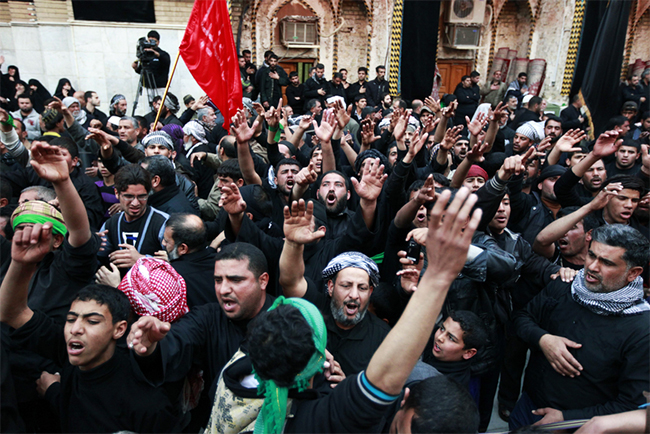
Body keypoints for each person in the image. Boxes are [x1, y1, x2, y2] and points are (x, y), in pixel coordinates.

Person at [207, 188, 483, 434]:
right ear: (329, 288)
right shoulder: (309, 415)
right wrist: (438, 277)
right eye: (346, 285)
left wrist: (345, 384)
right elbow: (291, 282)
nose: (353, 294)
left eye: (362, 287)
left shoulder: (231, 377)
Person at [509, 224, 650, 429]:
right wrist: (543, 339)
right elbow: (522, 318)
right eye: (591, 255)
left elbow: (632, 405)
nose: (592, 267)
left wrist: (567, 417)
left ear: (633, 273)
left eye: (606, 262)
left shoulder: (642, 330)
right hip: (528, 409)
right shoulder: (565, 284)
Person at [127, 242, 277, 429]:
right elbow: (179, 339)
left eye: (235, 280)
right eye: (218, 280)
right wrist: (151, 347)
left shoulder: (287, 320)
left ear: (263, 281)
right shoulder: (208, 317)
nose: (223, 290)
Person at [97, 164, 169, 273]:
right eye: (128, 197)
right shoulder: (111, 224)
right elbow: (98, 259)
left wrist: (142, 260)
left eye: (141, 197)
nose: (135, 203)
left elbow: (178, 265)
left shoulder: (163, 223)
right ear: (116, 193)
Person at [163, 213, 218, 308]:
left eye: (167, 241)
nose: (163, 243)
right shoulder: (222, 264)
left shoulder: (172, 277)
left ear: (183, 248)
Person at [421, 310, 488, 388]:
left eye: (451, 338)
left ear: (468, 353)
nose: (440, 337)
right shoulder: (433, 340)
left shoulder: (448, 387)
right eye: (442, 329)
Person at [131, 30, 171, 100]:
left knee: (159, 105)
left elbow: (166, 60)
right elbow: (142, 69)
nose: (152, 43)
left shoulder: (163, 54)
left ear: (158, 42)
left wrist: (154, 53)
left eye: (154, 41)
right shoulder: (145, 54)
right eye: (150, 40)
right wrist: (136, 68)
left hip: (159, 88)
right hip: (147, 87)